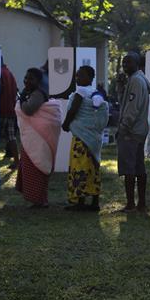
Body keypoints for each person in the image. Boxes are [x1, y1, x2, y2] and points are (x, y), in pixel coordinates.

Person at [62, 66, 109, 212]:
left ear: (90, 78)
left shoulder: (81, 91)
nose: (78, 79)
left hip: (81, 138)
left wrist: (66, 124)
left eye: (81, 76)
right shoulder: (95, 93)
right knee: (93, 167)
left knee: (79, 167)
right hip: (94, 137)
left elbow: (73, 110)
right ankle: (95, 201)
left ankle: (80, 201)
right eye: (76, 76)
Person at [14, 67, 61, 208]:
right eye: (26, 78)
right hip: (33, 138)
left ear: (38, 81)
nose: (27, 81)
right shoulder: (31, 93)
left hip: (39, 139)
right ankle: (37, 200)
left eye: (31, 78)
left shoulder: (38, 94)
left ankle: (39, 200)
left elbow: (28, 110)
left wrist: (21, 100)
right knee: (32, 167)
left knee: (38, 166)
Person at [117, 52, 150, 212]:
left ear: (137, 64)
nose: (125, 65)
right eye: (124, 62)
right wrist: (120, 88)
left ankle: (131, 204)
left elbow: (132, 108)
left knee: (129, 167)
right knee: (138, 166)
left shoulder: (136, 81)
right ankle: (141, 204)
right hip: (139, 129)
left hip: (131, 131)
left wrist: (123, 128)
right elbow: (126, 102)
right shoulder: (137, 79)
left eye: (128, 62)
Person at [0, 59, 20, 169]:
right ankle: (17, 161)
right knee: (11, 137)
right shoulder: (9, 72)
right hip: (11, 109)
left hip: (1, 110)